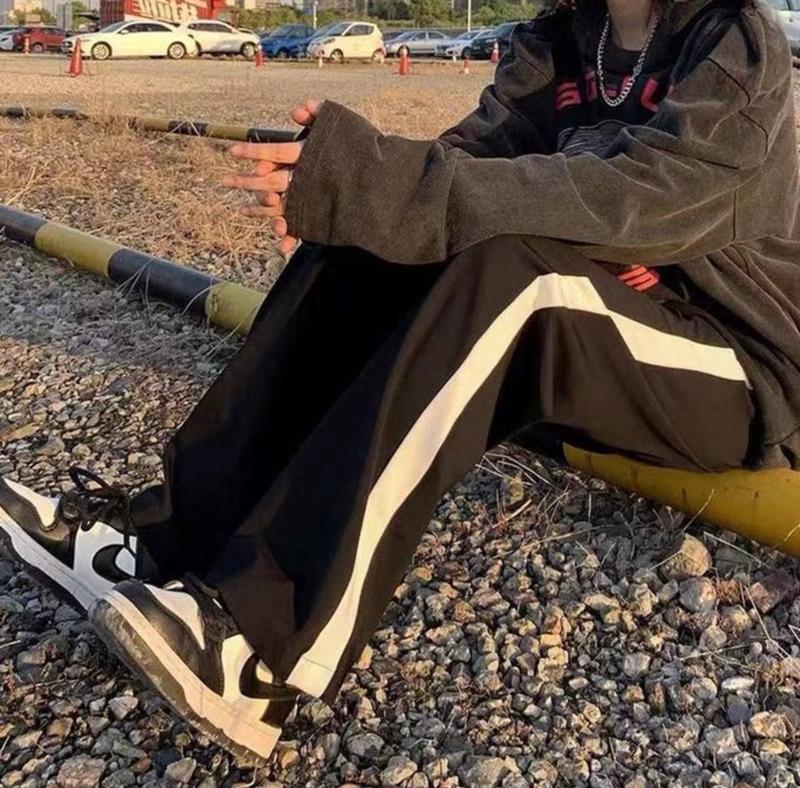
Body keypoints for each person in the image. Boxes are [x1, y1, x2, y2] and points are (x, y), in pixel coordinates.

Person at [2, 0, 799, 765]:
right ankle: (164, 540)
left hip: (730, 362)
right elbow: (464, 164)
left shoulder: (736, 41)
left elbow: (646, 195)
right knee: (371, 236)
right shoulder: (558, 40)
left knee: (511, 271)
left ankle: (266, 650)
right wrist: (351, 190)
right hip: (597, 342)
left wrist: (393, 184)